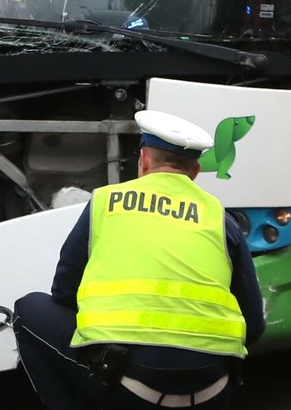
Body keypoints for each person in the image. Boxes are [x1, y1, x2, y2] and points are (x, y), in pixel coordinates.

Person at [13, 109, 265, 410]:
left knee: (27, 311)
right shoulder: (222, 220)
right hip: (212, 394)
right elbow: (254, 325)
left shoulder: (106, 203)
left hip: (130, 392)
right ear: (195, 172)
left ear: (143, 161)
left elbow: (64, 292)